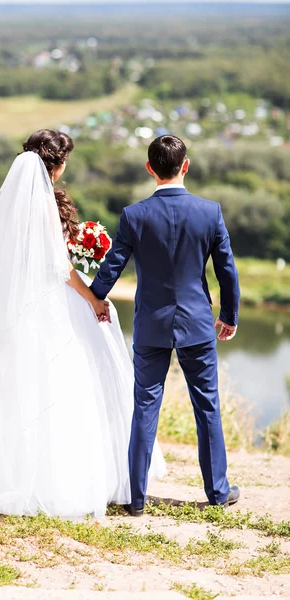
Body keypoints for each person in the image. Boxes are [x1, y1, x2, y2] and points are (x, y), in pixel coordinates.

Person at [0, 129, 166, 518]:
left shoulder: (15, 199)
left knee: (4, 385)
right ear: (58, 164)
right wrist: (95, 297)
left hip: (17, 305)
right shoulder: (45, 203)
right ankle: (55, 479)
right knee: (60, 383)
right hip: (51, 303)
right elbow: (60, 269)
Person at [90, 135, 240, 517]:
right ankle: (218, 492)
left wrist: (94, 298)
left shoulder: (134, 215)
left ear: (149, 169)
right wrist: (229, 316)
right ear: (185, 166)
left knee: (144, 407)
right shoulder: (210, 211)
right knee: (207, 407)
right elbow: (227, 272)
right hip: (197, 325)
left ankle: (136, 499)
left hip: (151, 326)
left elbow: (111, 268)